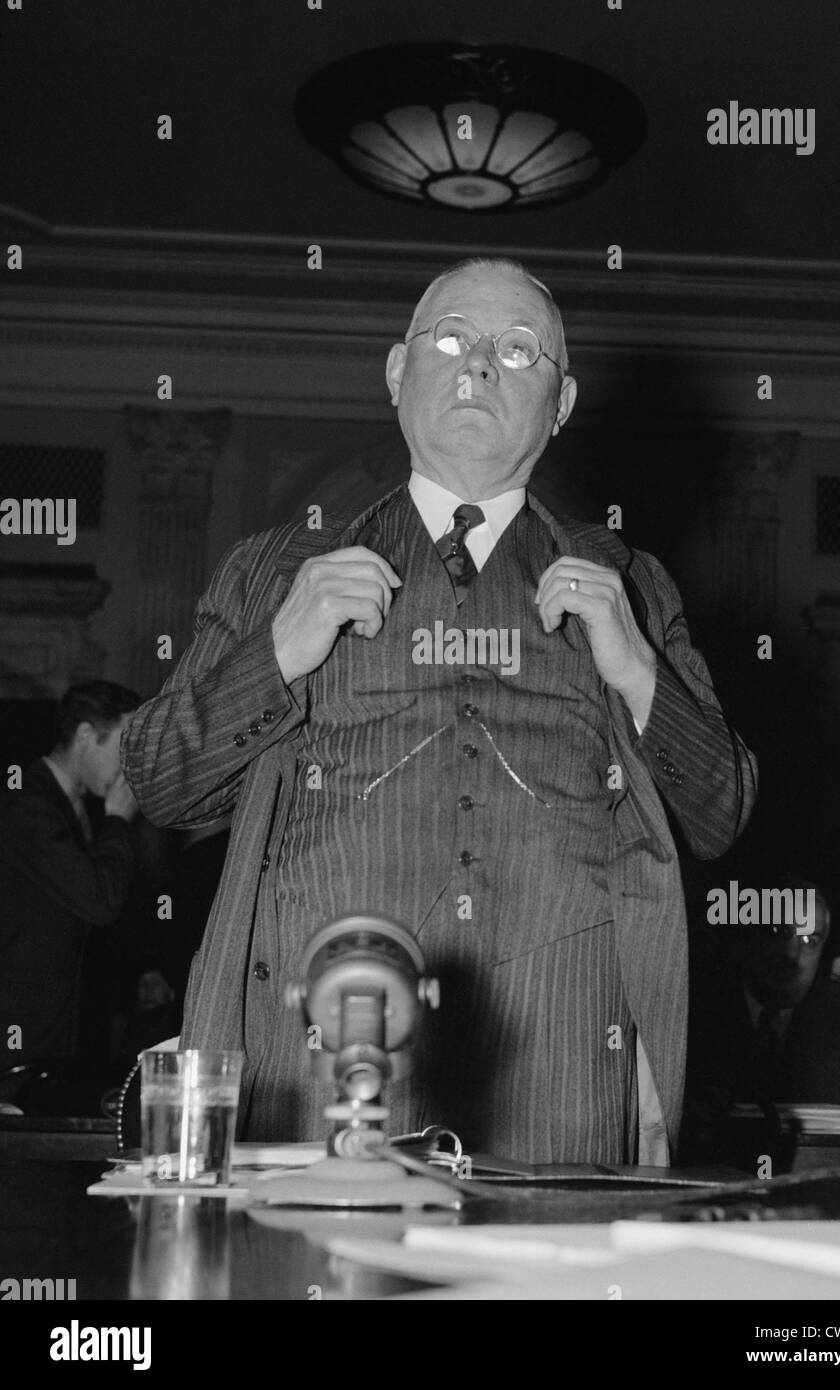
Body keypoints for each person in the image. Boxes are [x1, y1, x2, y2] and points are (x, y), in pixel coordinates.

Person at [122, 257, 757, 1164]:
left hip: (561, 1082)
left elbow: (722, 811)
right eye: (451, 339)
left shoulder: (631, 585)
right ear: (395, 373)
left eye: (517, 349)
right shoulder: (275, 571)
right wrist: (277, 654)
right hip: (310, 1077)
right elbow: (157, 782)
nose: (478, 366)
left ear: (562, 401)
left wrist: (638, 671)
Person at [685, 885, 840, 1155]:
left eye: (811, 941)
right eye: (780, 932)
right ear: (751, 934)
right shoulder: (697, 1002)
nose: (793, 955)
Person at [0, 682, 140, 1079]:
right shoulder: (27, 803)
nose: (129, 765)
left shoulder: (70, 805)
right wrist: (117, 821)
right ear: (85, 736)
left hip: (55, 1034)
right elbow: (100, 901)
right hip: (18, 1039)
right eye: (123, 745)